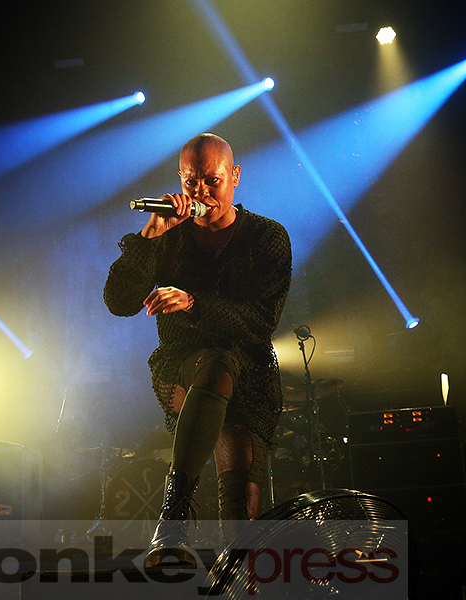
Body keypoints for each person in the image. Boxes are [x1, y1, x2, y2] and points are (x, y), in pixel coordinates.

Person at [103, 133, 291, 566]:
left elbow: (261, 322)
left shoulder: (266, 236)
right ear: (180, 180)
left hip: (251, 374)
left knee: (241, 521)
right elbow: (118, 302)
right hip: (181, 363)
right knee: (215, 365)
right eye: (191, 182)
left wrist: (192, 302)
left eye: (213, 181)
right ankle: (173, 520)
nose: (202, 193)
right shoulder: (169, 236)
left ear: (235, 176)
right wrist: (150, 235)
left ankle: (230, 571)